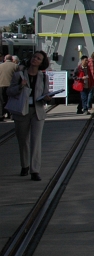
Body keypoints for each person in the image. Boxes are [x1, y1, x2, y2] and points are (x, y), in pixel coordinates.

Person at [5, 51, 54, 180]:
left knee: (36, 141)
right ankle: (24, 165)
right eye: (34, 57)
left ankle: (35, 170)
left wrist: (48, 98)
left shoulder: (43, 77)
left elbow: (45, 93)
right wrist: (20, 87)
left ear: (41, 63)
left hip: (37, 111)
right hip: (22, 111)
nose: (35, 60)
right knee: (23, 140)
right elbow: (9, 91)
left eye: (38, 58)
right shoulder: (19, 75)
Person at [0, 54, 17, 121]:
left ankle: (1, 115)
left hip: (1, 85)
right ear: (12, 59)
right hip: (11, 85)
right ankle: (11, 115)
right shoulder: (15, 66)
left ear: (5, 59)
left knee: (1, 101)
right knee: (11, 100)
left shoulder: (0, 66)